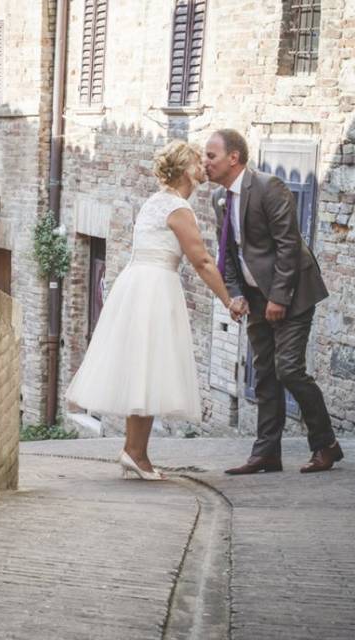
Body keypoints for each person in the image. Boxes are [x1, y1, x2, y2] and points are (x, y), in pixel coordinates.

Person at [66, 140, 240, 480]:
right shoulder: (177, 208)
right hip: (155, 286)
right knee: (148, 364)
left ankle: (135, 452)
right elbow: (202, 260)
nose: (203, 165)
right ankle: (135, 452)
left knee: (142, 366)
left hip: (137, 283)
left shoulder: (155, 202)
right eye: (196, 161)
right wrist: (227, 299)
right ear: (185, 170)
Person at [204, 129, 342, 474]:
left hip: (293, 294)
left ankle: (326, 445)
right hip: (255, 298)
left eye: (211, 156)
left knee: (289, 369)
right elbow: (229, 254)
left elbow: (288, 244)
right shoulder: (219, 199)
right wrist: (235, 293)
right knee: (264, 373)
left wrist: (279, 297)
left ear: (233, 157)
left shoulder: (268, 187)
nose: (204, 163)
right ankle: (267, 453)